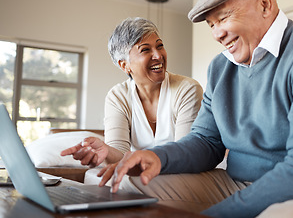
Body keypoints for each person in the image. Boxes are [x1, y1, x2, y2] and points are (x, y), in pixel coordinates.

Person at [98, 0, 293, 217]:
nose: (217, 34)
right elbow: (205, 142)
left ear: (265, 4)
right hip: (236, 183)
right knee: (126, 187)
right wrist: (157, 158)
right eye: (211, 24)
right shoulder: (221, 67)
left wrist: (217, 214)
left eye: (224, 18)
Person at [60, 17, 203, 173]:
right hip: (141, 172)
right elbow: (120, 154)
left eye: (160, 46)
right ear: (124, 65)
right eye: (145, 49)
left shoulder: (187, 89)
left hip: (182, 171)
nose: (158, 55)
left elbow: (184, 153)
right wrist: (106, 151)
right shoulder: (118, 96)